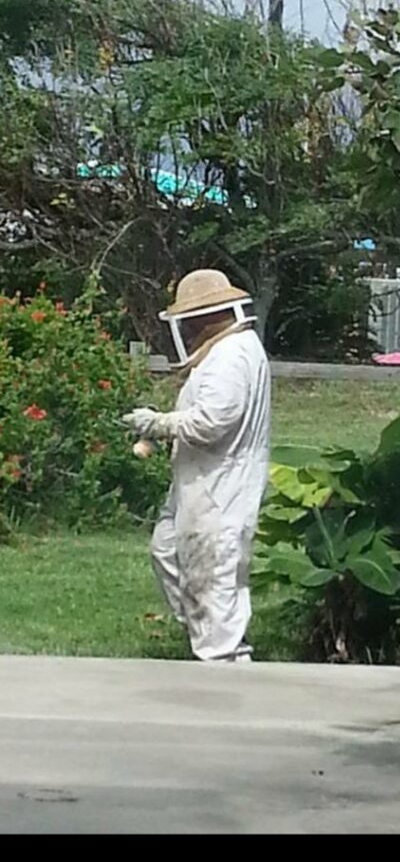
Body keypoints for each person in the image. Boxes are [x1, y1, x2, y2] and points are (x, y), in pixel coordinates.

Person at [123, 269, 271, 662]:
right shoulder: (227, 352)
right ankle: (201, 631)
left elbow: (211, 423)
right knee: (166, 550)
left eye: (190, 321)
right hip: (198, 481)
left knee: (214, 575)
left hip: (220, 489)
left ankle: (223, 664)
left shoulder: (232, 356)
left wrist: (159, 423)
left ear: (206, 318)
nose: (186, 332)